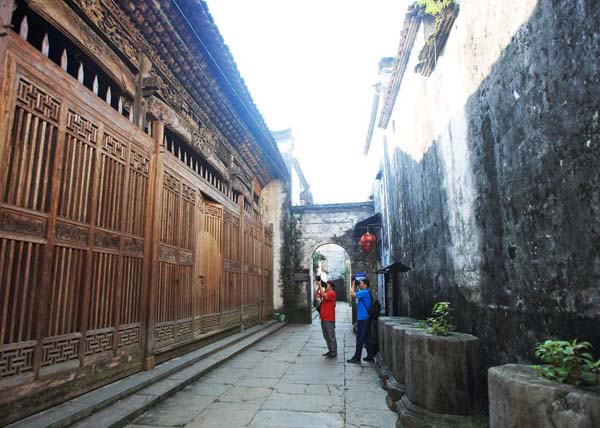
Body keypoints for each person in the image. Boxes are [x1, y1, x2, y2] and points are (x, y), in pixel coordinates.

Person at [347, 278, 376, 364]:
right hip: (365, 318)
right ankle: (370, 356)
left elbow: (352, 294)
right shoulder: (365, 292)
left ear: (366, 285)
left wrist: (353, 284)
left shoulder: (364, 292)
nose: (359, 284)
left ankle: (356, 358)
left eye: (361, 283)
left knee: (360, 339)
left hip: (363, 319)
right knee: (368, 338)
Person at [316, 280, 337, 359]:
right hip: (323, 317)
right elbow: (316, 296)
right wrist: (318, 286)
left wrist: (320, 286)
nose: (326, 286)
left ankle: (333, 352)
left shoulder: (332, 293)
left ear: (331, 287)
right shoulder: (325, 292)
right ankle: (330, 350)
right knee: (326, 335)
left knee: (331, 335)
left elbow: (324, 296)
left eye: (327, 285)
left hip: (329, 318)